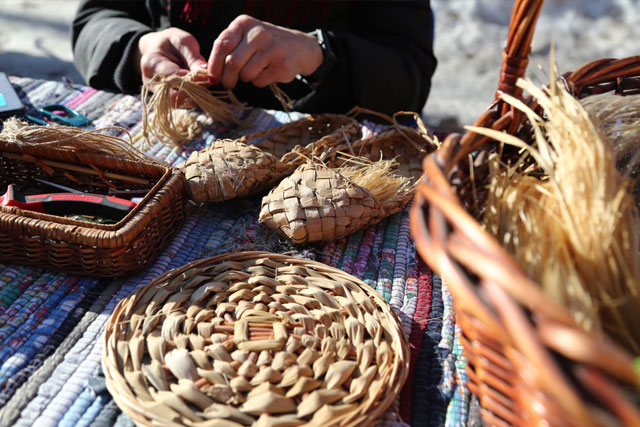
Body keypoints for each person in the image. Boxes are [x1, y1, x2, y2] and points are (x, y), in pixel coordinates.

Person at [72, 0, 437, 115]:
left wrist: (319, 54)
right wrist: (138, 48)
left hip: (323, 171)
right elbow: (98, 18)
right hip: (173, 151)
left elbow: (409, 76)